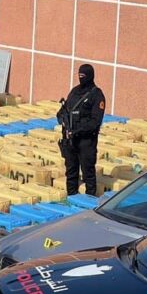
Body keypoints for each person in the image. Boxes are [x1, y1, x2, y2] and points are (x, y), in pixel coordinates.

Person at [57, 64, 106, 197]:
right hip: (70, 141)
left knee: (88, 173)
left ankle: (89, 201)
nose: (81, 77)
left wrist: (78, 130)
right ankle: (71, 197)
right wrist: (63, 120)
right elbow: (63, 111)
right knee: (71, 173)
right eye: (79, 75)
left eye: (83, 75)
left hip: (86, 142)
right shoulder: (74, 92)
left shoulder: (96, 95)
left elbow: (95, 122)